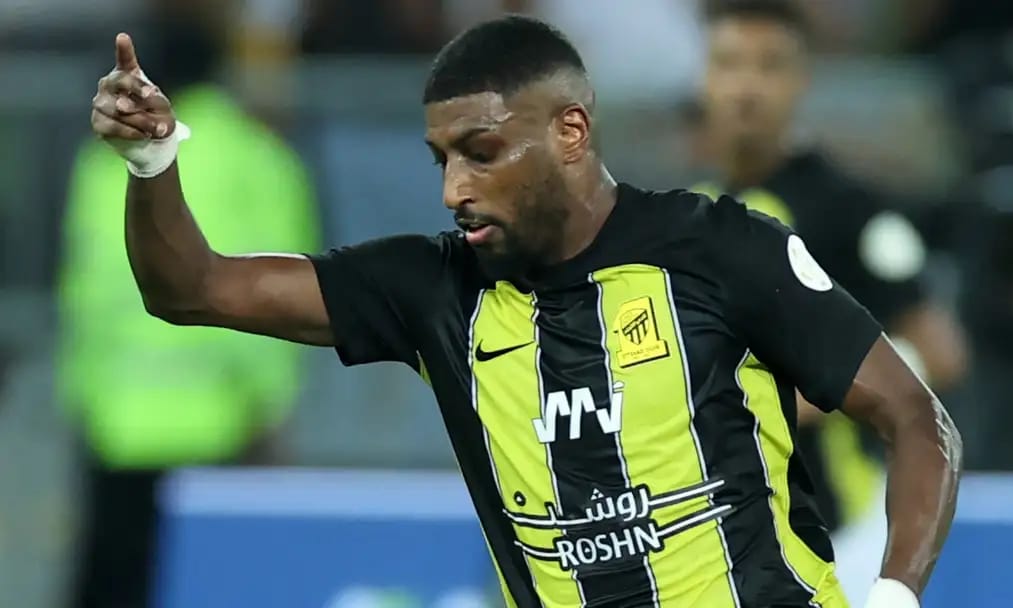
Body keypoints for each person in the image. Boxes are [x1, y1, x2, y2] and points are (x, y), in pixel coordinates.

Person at [88, 15, 961, 608]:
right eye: (441, 159)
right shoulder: (433, 290)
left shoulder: (724, 248)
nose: (454, 189)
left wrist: (891, 597)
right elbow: (191, 288)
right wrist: (150, 162)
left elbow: (919, 419)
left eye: (482, 152)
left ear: (570, 133)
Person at [690, 1, 968, 604]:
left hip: (839, 533)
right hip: (721, 537)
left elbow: (942, 353)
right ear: (704, 77)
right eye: (729, 63)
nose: (747, 87)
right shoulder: (687, 215)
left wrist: (827, 385)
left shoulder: (850, 210)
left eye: (769, 65)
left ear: (802, 80)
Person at [61, 6, 319, 608]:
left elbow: (85, 287)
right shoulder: (257, 154)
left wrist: (82, 396)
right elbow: (283, 281)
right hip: (221, 424)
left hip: (118, 422)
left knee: (114, 586)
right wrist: (270, 401)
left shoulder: (104, 156)